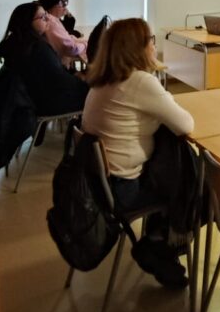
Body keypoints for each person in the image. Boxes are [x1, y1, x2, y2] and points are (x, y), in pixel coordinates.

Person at [82, 18, 194, 286]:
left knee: (170, 158)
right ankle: (159, 244)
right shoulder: (140, 81)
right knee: (195, 185)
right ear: (138, 48)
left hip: (98, 186)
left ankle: (158, 238)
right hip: (123, 190)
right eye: (151, 41)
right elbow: (186, 124)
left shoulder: (102, 78)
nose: (154, 47)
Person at [0, 2, 88, 116]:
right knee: (94, 93)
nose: (47, 20)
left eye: (46, 16)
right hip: (46, 103)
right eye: (42, 17)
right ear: (27, 22)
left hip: (34, 99)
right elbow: (59, 81)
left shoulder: (18, 43)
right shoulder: (36, 48)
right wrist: (81, 80)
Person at [37, 0, 86, 68]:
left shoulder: (53, 19)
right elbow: (70, 48)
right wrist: (85, 44)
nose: (65, 6)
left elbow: (66, 35)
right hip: (58, 67)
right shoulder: (51, 22)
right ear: (54, 3)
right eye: (63, 2)